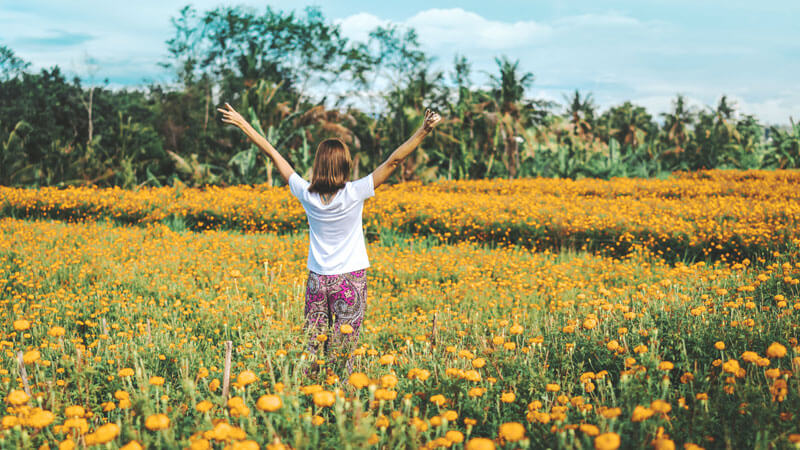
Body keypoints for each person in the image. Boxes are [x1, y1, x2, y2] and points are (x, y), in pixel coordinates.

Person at [217, 103, 442, 374]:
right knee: (345, 349)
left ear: (318, 164)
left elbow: (273, 154)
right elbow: (394, 161)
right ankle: (342, 400)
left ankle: (311, 398)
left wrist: (243, 123)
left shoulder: (306, 193)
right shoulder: (354, 192)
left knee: (313, 347)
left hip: (317, 279)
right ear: (345, 164)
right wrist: (423, 131)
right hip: (350, 280)